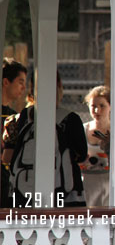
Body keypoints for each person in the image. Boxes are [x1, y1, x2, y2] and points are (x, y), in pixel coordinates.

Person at [8, 71, 88, 207]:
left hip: (25, 192)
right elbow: (81, 155)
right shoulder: (71, 119)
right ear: (59, 86)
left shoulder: (25, 116)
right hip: (64, 194)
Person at [1, 58, 26, 207]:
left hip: (7, 184)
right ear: (6, 82)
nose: (23, 88)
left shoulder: (14, 117)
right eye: (20, 82)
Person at [81, 85, 111, 206]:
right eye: (93, 106)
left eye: (102, 106)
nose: (97, 110)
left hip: (109, 184)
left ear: (110, 106)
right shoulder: (83, 129)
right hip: (88, 184)